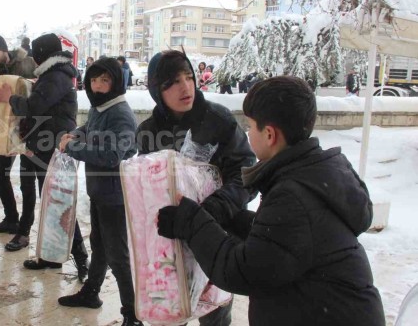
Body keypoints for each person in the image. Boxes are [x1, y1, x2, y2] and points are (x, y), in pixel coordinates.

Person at [156, 76, 386, 326]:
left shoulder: (292, 196)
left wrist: (192, 222)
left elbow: (241, 271)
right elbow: (282, 243)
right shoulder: (309, 176)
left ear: (269, 135)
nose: (248, 133)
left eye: (251, 127)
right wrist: (230, 217)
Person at [136, 50, 256, 325]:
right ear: (157, 90)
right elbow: (146, 184)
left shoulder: (218, 120)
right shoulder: (148, 131)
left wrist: (213, 208)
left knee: (214, 314)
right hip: (168, 242)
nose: (185, 86)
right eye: (172, 82)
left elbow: (247, 175)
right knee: (166, 312)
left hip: (216, 236)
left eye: (189, 77)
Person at [0, 33, 89, 281]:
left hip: (52, 148)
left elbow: (34, 107)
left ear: (43, 55)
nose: (34, 59)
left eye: (37, 54)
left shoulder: (56, 76)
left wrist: (9, 98)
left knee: (58, 202)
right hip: (44, 145)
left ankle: (81, 257)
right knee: (50, 202)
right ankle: (50, 256)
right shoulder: (54, 74)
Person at [56, 57, 141, 325]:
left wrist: (72, 148)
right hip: (100, 191)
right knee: (100, 246)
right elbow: (90, 129)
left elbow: (112, 155)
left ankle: (133, 314)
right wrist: (76, 133)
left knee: (118, 256)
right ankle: (91, 292)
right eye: (94, 80)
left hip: (115, 196)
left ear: (116, 82)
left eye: (105, 80)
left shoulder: (120, 113)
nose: (98, 85)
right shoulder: (101, 107)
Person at [0, 34, 35, 235]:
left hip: (31, 129)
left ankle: (26, 226)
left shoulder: (26, 64)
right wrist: (3, 137)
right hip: (5, 131)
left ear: (4, 50)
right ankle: (11, 217)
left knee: (27, 179)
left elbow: (40, 91)